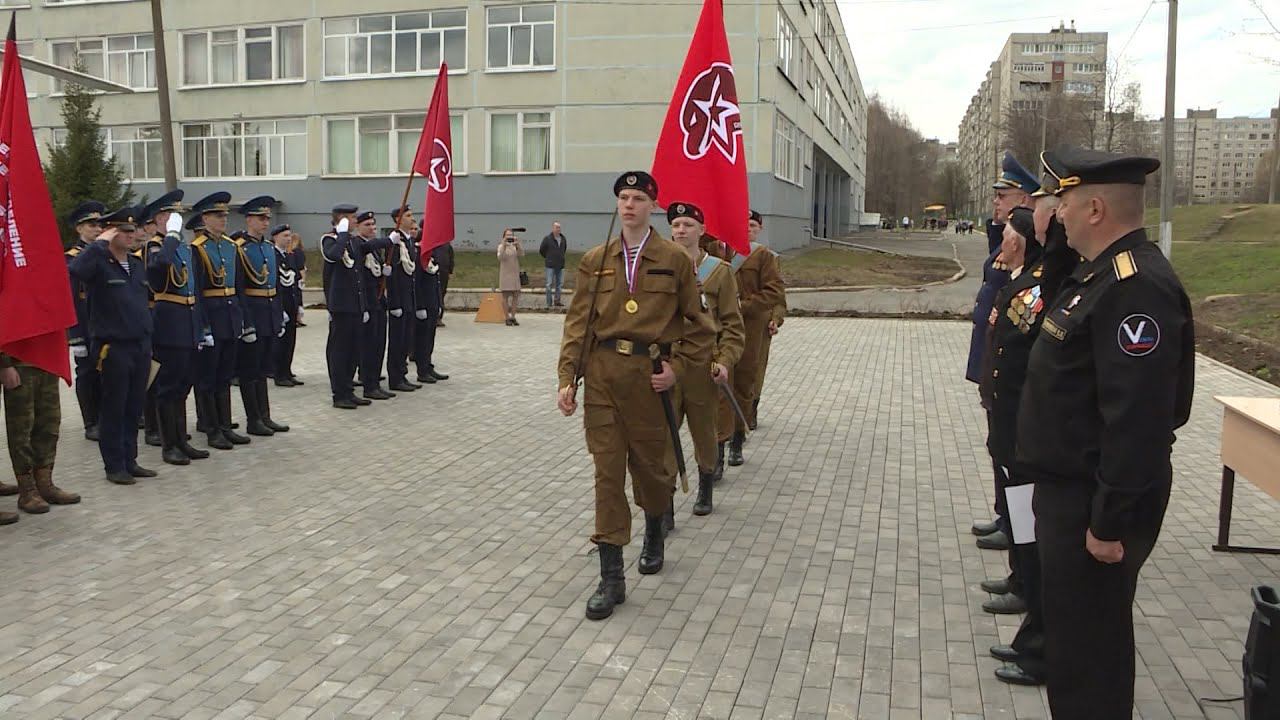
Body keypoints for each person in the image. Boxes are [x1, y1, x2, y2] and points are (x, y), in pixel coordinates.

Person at [1019, 145, 1194, 718]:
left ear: (1095, 209)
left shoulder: (1135, 287)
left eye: (1065, 203)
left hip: (1093, 503)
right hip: (1070, 494)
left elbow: (1138, 419)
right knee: (1073, 647)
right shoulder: (1097, 275)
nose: (1058, 214)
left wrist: (1109, 520)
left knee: (1090, 657)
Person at [557, 171, 715, 621]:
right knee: (607, 475)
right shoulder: (596, 260)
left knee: (651, 471)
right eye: (624, 198)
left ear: (653, 206)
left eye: (638, 198)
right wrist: (568, 377)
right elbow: (579, 323)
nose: (629, 205)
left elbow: (700, 326)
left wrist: (677, 368)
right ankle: (611, 577)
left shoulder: (674, 260)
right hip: (604, 377)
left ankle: (654, 531)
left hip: (649, 379)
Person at [980, 185, 1079, 687]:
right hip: (1014, 423)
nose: (1046, 216)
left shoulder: (1052, 278)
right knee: (1022, 522)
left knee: (1031, 529)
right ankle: (1025, 590)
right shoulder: (1034, 276)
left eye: (1047, 211)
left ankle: (1035, 622)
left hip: (1028, 429)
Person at [970, 151, 1037, 590]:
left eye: (1004, 196)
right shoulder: (1006, 244)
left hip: (1013, 382)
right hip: (997, 372)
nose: (996, 202)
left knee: (1015, 465)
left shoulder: (1034, 265)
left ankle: (1019, 544)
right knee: (1002, 455)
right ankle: (1006, 522)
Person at [68, 206, 157, 485]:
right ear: (110, 233)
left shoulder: (137, 264)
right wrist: (99, 244)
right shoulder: (98, 263)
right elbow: (75, 270)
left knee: (134, 407)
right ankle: (114, 465)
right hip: (113, 347)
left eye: (133, 230)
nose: (131, 235)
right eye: (124, 230)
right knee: (114, 408)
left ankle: (130, 460)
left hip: (140, 345)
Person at [666, 202, 745, 517]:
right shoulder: (657, 268)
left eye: (687, 225)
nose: (681, 230)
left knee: (704, 432)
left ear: (702, 230)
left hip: (702, 366)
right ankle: (664, 504)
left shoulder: (719, 272)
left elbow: (733, 326)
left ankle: (705, 486)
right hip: (667, 366)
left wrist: (724, 360)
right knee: (663, 437)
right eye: (676, 225)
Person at [142, 191, 210, 467]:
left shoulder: (183, 247)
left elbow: (196, 289)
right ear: (160, 218)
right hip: (169, 323)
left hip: (189, 321)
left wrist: (202, 326)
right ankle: (169, 445)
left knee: (184, 385)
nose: (177, 220)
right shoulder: (155, 246)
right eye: (172, 215)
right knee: (168, 388)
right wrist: (170, 235)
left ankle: (181, 440)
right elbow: (158, 272)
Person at [719, 210, 785, 468]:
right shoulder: (716, 251)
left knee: (745, 383)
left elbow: (775, 292)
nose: (746, 228)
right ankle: (718, 445)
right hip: (720, 328)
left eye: (751, 225)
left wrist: (743, 306)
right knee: (719, 384)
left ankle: (737, 437)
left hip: (750, 327)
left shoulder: (763, 256)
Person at [190, 192, 250, 449]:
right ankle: (212, 429)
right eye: (217, 216)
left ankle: (225, 426)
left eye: (225, 215)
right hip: (212, 318)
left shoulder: (231, 246)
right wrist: (203, 327)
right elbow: (197, 292)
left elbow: (239, 287)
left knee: (225, 376)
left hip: (230, 317)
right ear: (205, 219)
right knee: (208, 378)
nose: (223, 219)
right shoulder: (197, 249)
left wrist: (244, 320)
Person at [322, 205, 390, 408]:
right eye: (352, 218)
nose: (355, 221)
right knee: (340, 352)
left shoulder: (352, 242)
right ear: (342, 219)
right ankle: (339, 394)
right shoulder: (329, 239)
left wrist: (390, 240)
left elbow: (369, 246)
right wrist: (342, 234)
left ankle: (348, 391)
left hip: (356, 305)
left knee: (353, 352)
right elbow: (334, 256)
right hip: (341, 306)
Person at [1, 350, 81, 521]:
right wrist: (5, 363)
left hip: (47, 359)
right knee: (21, 429)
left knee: (49, 425)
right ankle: (27, 490)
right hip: (19, 362)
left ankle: (44, 484)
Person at [234, 196, 290, 435]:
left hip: (269, 313)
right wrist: (246, 323)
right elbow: (239, 288)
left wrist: (279, 314)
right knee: (250, 370)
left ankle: (265, 415)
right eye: (260, 218)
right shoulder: (239, 247)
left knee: (264, 368)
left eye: (267, 218)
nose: (265, 222)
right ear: (249, 220)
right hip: (253, 313)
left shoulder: (268, 247)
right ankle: (253, 419)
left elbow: (275, 285)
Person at [65, 201, 106, 442]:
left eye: (100, 224)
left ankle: (105, 418)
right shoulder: (72, 259)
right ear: (79, 228)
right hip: (85, 326)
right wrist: (75, 336)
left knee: (106, 373)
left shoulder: (105, 254)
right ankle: (91, 422)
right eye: (92, 225)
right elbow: (70, 300)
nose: (98, 229)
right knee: (87, 374)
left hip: (105, 325)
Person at [352, 211, 395, 401]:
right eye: (367, 225)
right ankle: (369, 385)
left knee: (378, 345)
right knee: (369, 346)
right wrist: (388, 240)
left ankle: (375, 382)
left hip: (378, 302)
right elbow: (366, 248)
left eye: (373, 225)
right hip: (367, 303)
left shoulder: (375, 249)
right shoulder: (357, 244)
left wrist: (385, 272)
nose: (372, 228)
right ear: (358, 227)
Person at [386, 209, 419, 393]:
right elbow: (392, 275)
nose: (412, 218)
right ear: (398, 219)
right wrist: (395, 303)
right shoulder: (395, 241)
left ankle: (402, 374)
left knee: (406, 340)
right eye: (407, 216)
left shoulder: (408, 240)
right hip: (399, 300)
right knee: (397, 341)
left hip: (409, 298)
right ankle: (395, 377)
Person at [272, 228, 304, 387]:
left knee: (290, 340)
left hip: (291, 303)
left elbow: (296, 282)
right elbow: (274, 284)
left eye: (290, 235)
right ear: (275, 237)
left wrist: (300, 305)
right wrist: (278, 308)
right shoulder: (273, 256)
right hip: (280, 303)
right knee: (280, 341)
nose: (289, 238)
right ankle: (279, 374)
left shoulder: (290, 256)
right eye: (285, 236)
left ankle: (287, 370)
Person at [497, 229, 524, 326]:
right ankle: (507, 318)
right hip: (505, 274)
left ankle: (513, 316)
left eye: (511, 235)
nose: (509, 237)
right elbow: (500, 257)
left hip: (514, 274)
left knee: (515, 296)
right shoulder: (501, 246)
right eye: (507, 235)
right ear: (504, 236)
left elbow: (521, 254)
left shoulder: (514, 246)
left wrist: (518, 244)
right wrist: (504, 245)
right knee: (505, 296)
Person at [540, 221, 568, 307]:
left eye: (559, 227)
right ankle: (549, 303)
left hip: (560, 265)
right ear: (553, 228)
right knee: (549, 285)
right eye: (556, 227)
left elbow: (564, 249)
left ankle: (557, 301)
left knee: (559, 284)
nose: (558, 229)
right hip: (550, 265)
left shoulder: (563, 239)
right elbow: (542, 250)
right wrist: (548, 258)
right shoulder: (547, 239)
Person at [433, 240, 454, 327]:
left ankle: (439, 316)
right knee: (434, 294)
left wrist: (450, 271)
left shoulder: (447, 245)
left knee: (441, 294)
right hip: (433, 271)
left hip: (444, 272)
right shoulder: (431, 243)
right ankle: (434, 316)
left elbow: (451, 258)